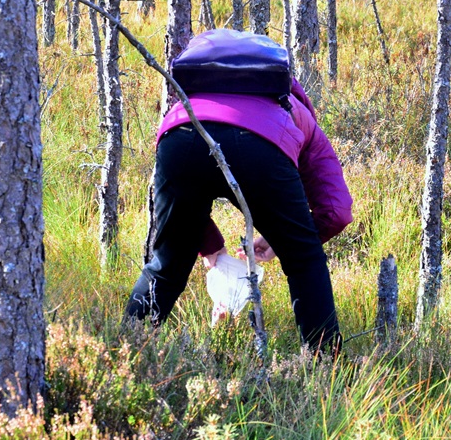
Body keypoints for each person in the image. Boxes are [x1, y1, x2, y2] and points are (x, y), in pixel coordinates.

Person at [124, 30, 353, 353]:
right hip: (260, 148)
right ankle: (325, 365)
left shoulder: (189, 102)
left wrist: (211, 247)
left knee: (167, 265)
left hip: (179, 135)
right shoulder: (296, 112)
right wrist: (286, 240)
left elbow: (182, 197)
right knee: (304, 262)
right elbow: (337, 210)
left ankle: (123, 358)